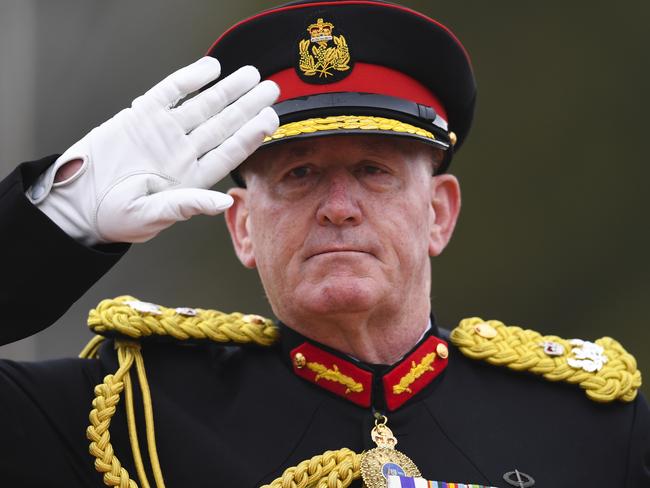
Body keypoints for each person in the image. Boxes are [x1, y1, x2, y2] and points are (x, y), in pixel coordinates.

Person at [1, 1, 648, 487]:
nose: (339, 209)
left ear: (440, 214)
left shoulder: (594, 428)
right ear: (243, 227)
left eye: (374, 170)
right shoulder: (127, 419)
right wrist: (55, 219)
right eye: (299, 175)